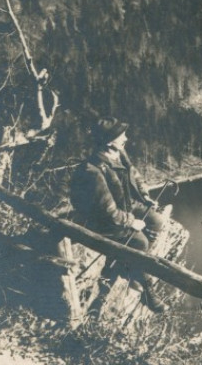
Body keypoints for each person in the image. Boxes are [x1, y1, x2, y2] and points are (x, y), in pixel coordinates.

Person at [70, 117, 166, 311]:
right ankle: (146, 289)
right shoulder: (93, 170)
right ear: (107, 141)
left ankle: (130, 265)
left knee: (156, 220)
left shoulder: (119, 153)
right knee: (140, 242)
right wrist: (132, 222)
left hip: (126, 205)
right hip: (102, 220)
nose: (126, 139)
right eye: (121, 136)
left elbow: (134, 174)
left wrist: (145, 195)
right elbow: (108, 212)